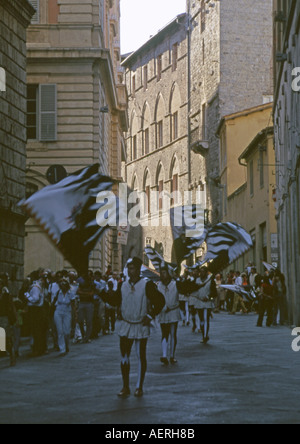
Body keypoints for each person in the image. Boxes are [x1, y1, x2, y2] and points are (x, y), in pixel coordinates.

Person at [101, 257, 165, 398]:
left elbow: (160, 301)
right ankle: (125, 386)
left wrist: (150, 316)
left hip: (141, 325)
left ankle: (139, 387)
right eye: (128, 268)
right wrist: (101, 293)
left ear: (138, 269)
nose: (129, 271)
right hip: (126, 324)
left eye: (132, 268)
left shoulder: (147, 285)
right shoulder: (123, 285)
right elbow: (114, 301)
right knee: (124, 356)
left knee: (140, 356)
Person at [157, 264, 181, 366]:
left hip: (173, 311)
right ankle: (164, 355)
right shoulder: (158, 286)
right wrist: (161, 307)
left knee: (173, 333)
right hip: (163, 312)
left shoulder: (175, 284)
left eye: (164, 273)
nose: (162, 275)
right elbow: (156, 299)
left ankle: (172, 356)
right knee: (164, 333)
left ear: (168, 273)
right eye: (161, 273)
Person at [26, 271, 49, 356]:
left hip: (35, 310)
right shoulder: (40, 286)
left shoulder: (35, 287)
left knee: (36, 331)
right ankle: (41, 349)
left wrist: (27, 296)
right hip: (39, 310)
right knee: (39, 331)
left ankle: (37, 350)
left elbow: (35, 299)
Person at [193, 266, 217, 344]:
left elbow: (214, 292)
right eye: (201, 271)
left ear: (206, 272)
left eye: (203, 271)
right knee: (201, 320)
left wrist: (208, 297)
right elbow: (194, 290)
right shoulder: (197, 280)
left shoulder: (210, 280)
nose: (202, 273)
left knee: (206, 319)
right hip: (199, 302)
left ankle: (205, 336)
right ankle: (204, 333)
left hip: (207, 303)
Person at [53, 279, 76, 356]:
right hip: (58, 311)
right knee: (60, 331)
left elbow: (73, 305)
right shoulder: (58, 293)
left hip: (67, 311)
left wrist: (74, 314)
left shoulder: (71, 293)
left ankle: (66, 345)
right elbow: (54, 302)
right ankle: (62, 348)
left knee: (66, 331)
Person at [0, 273, 16, 366]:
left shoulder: (6, 295)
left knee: (6, 338)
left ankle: (12, 356)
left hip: (4, 318)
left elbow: (11, 306)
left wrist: (14, 319)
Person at [77, 274, 96, 343]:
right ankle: (83, 335)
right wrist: (87, 293)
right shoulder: (81, 284)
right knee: (80, 320)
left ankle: (87, 337)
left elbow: (91, 293)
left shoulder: (92, 284)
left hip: (89, 303)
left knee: (89, 321)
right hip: (82, 303)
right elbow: (78, 292)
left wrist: (83, 293)